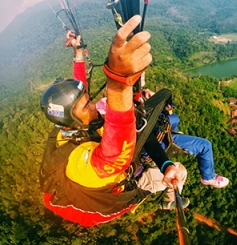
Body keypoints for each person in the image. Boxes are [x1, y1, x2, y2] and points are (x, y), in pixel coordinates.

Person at [39, 16, 189, 227]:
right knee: (179, 171)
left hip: (64, 189)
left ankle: (164, 176)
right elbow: (116, 153)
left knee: (145, 139)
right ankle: (168, 201)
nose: (92, 105)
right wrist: (119, 81)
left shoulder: (68, 123)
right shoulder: (82, 165)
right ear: (72, 118)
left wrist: (78, 54)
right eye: (86, 106)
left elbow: (80, 94)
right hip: (94, 208)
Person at [141, 87, 230, 189]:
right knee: (205, 146)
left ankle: (175, 133)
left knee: (175, 118)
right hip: (155, 136)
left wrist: (145, 93)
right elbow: (147, 137)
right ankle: (208, 177)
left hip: (153, 123)